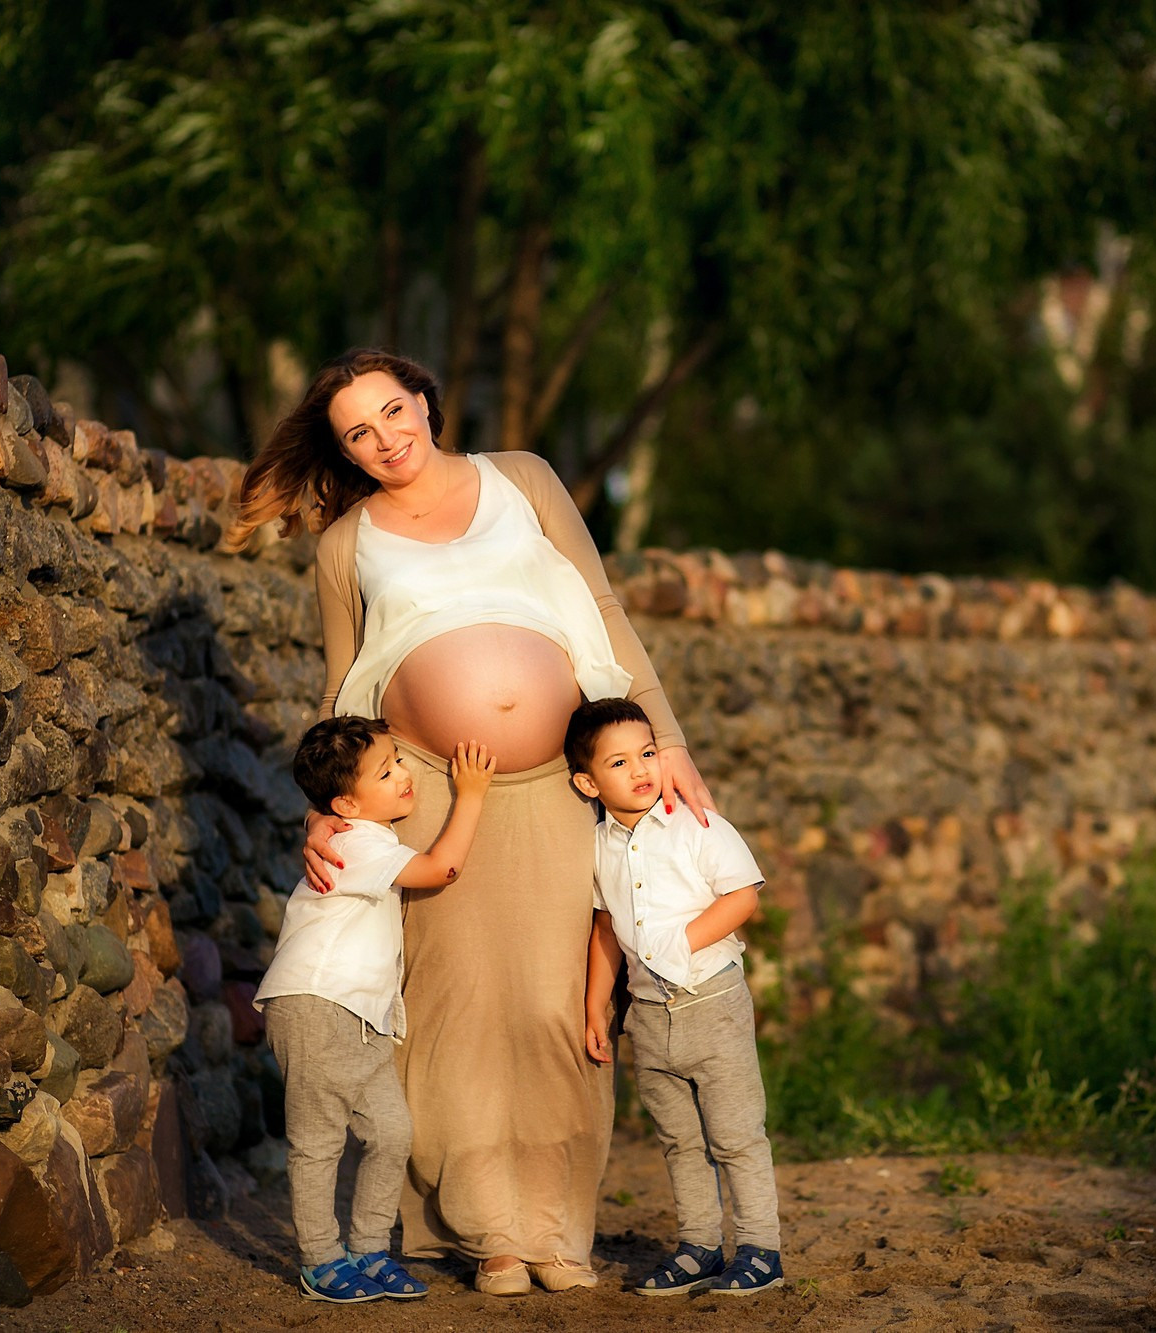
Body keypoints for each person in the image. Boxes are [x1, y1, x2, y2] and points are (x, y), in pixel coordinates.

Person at [228, 349, 715, 1296]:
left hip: (554, 784)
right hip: (426, 791)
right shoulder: (345, 546)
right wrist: (324, 817)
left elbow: (605, 611)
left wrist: (670, 740)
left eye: (394, 412)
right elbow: (341, 701)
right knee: (455, 1009)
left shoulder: (524, 479)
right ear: (344, 451)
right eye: (357, 433)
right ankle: (487, 1231)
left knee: (552, 1002)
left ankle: (555, 1225)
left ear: (426, 402)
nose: (385, 439)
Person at [252, 718, 496, 1302]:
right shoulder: (356, 841)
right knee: (318, 1142)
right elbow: (442, 870)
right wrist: (472, 797)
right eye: (386, 771)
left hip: (359, 1015)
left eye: (399, 761)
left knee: (390, 1133)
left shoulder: (365, 835)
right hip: (316, 1003)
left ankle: (367, 1250)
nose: (404, 774)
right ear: (346, 803)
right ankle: (319, 1260)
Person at [567, 698, 786, 1296]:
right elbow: (606, 929)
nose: (640, 769)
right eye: (619, 762)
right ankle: (700, 1247)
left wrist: (677, 944)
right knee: (680, 1140)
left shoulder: (698, 824)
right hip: (648, 1016)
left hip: (711, 1000)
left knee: (737, 1134)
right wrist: (596, 1007)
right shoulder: (598, 847)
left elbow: (742, 898)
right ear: (588, 782)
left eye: (647, 753)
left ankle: (761, 1248)